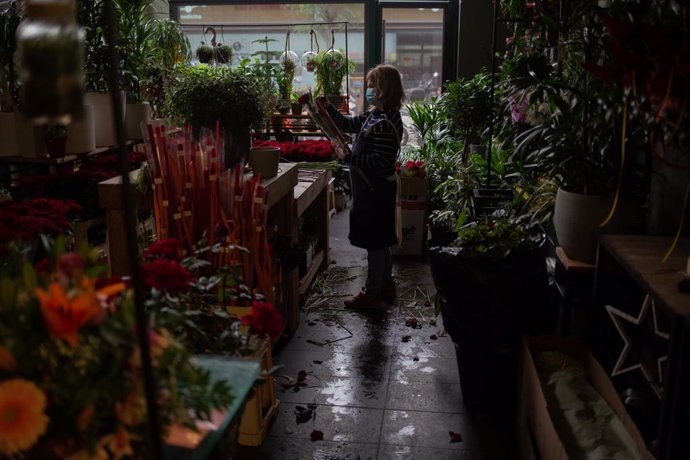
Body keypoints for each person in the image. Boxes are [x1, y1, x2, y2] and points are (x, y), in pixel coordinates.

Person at [321, 64, 405, 309]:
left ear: (384, 89)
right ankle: (386, 285)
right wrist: (327, 109)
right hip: (370, 190)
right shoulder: (374, 116)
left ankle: (372, 294)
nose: (367, 89)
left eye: (371, 85)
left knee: (376, 244)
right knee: (382, 240)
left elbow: (380, 162)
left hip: (376, 190)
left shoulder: (386, 122)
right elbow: (348, 125)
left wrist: (350, 159)